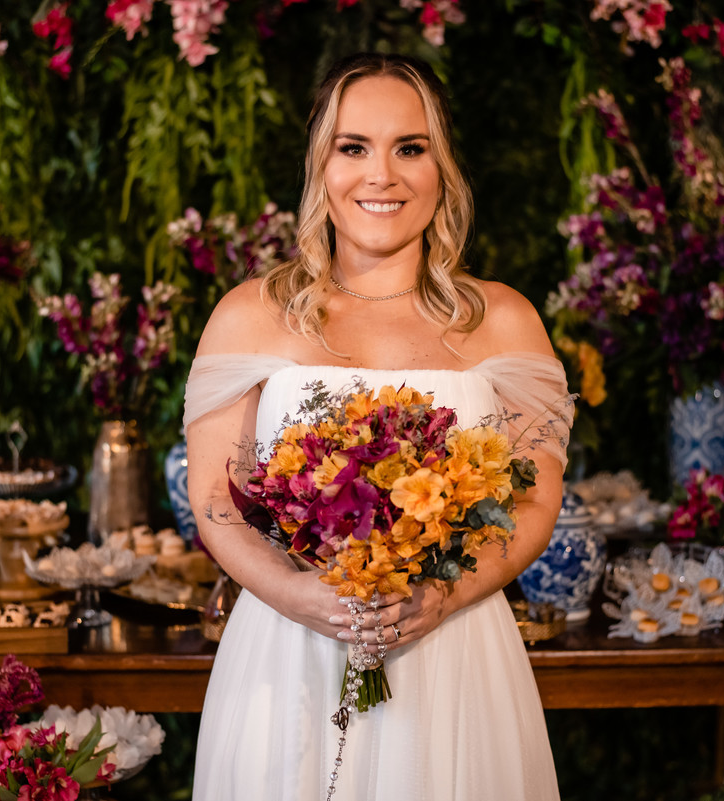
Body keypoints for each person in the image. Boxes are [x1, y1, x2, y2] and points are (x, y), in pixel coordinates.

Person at [184, 52, 572, 801]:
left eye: (410, 148)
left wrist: (443, 598)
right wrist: (299, 598)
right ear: (321, 166)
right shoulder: (246, 314)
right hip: (286, 654)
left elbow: (536, 499)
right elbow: (214, 499)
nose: (381, 176)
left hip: (456, 659)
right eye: (353, 146)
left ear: (443, 168)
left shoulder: (507, 321)